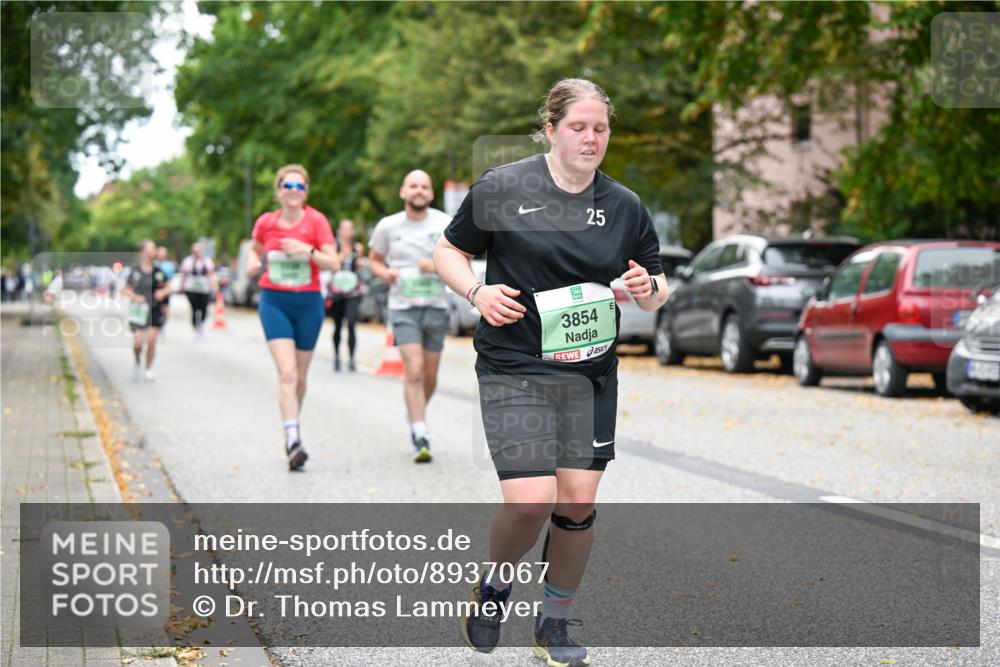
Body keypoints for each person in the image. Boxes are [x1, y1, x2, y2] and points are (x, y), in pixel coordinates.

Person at [434, 78, 668, 666]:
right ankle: (494, 588)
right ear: (550, 130)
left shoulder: (625, 206)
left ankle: (554, 623)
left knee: (577, 501)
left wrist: (648, 288)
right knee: (530, 502)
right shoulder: (504, 186)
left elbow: (657, 284)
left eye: (601, 128)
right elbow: (447, 251)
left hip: (589, 373)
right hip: (514, 364)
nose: (592, 138)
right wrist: (477, 292)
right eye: (578, 127)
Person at [245, 164, 340, 470]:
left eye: (299, 187)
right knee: (286, 373)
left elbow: (334, 263)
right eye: (288, 186)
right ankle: (293, 439)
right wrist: (251, 263)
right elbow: (254, 251)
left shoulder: (317, 221)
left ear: (306, 192)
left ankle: (292, 422)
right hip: (274, 302)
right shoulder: (266, 222)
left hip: (308, 303)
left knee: (299, 376)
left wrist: (307, 250)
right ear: (278, 191)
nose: (293, 191)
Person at [369, 170, 452, 463]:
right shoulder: (388, 226)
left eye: (424, 186)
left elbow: (459, 258)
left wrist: (436, 266)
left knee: (430, 376)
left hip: (436, 306)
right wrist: (386, 273)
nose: (418, 190)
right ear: (403, 192)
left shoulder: (445, 223)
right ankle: (420, 432)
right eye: (413, 185)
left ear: (430, 194)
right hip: (402, 306)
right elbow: (374, 262)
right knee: (413, 370)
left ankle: (415, 410)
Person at [122, 240, 172, 382]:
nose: (153, 252)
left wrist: (162, 293)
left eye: (154, 249)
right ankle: (137, 357)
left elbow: (169, 287)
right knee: (138, 341)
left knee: (151, 340)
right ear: (142, 252)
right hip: (138, 311)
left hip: (154, 309)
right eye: (150, 249)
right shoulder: (135, 271)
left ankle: (149, 368)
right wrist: (134, 297)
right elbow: (125, 289)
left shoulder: (158, 271)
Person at [327, 219, 367, 372]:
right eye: (344, 229)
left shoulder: (358, 248)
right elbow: (331, 264)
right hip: (337, 291)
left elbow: (358, 266)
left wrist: (360, 262)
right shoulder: (333, 247)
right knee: (337, 325)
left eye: (350, 229)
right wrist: (341, 256)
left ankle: (351, 358)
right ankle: (336, 356)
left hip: (353, 290)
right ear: (339, 231)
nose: (347, 232)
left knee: (351, 323)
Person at [179, 242, 218, 339]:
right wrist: (182, 286)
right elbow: (184, 275)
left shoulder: (207, 261)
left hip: (204, 289)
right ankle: (196, 328)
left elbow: (211, 275)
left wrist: (215, 288)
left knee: (204, 309)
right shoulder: (187, 261)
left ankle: (200, 325)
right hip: (191, 289)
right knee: (194, 309)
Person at [155, 247, 176, 336]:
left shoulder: (169, 265)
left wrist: (167, 290)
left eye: (163, 253)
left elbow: (171, 279)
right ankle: (155, 326)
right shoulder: (153, 264)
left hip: (165, 290)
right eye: (160, 253)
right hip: (155, 290)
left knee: (165, 311)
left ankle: (162, 326)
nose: (161, 255)